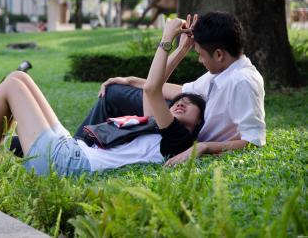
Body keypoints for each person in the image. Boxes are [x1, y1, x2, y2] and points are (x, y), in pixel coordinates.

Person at [0, 18, 206, 175]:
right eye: (181, 100)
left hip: (68, 165)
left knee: (12, 87)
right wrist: (181, 51)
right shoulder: (158, 127)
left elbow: (153, 88)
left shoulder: (177, 140)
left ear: (195, 128)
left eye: (191, 107)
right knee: (19, 78)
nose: (182, 102)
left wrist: (165, 38)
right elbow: (152, 88)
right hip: (72, 151)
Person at [73, 11, 266, 166]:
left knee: (114, 94)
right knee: (116, 90)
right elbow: (180, 92)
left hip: (182, 134)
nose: (199, 60)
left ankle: (76, 149)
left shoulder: (243, 82)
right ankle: (80, 146)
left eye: (200, 54)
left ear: (218, 54)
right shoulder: (223, 72)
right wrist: (133, 81)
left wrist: (205, 147)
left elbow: (253, 142)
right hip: (182, 124)